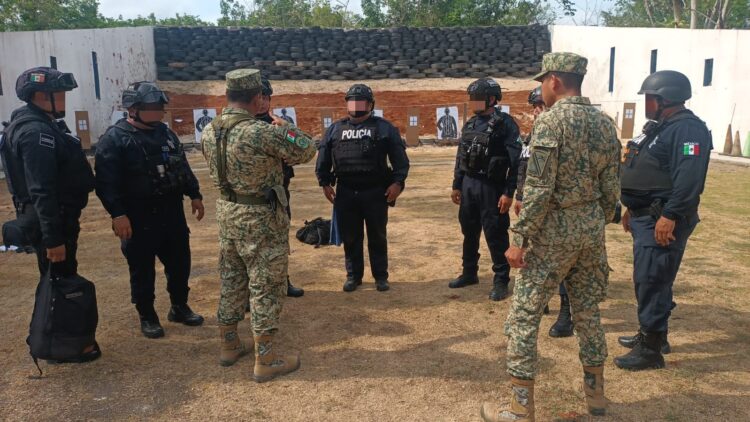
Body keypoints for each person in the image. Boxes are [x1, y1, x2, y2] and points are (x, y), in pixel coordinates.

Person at [480, 53, 621, 421]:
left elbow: (539, 189)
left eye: (543, 81)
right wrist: (594, 219)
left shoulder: (551, 123)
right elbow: (611, 192)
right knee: (588, 313)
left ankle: (518, 409)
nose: (542, 87)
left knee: (524, 317)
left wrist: (519, 238)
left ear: (555, 80)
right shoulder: (605, 123)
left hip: (553, 234)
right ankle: (597, 400)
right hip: (590, 232)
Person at [201, 69, 316, 382]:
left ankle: (229, 345)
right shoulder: (259, 131)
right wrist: (286, 126)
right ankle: (266, 359)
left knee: (232, 278)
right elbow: (307, 148)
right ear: (255, 98)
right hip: (260, 219)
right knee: (266, 285)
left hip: (228, 214)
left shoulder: (211, 130)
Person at [0, 66, 99, 362]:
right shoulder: (35, 132)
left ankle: (64, 339)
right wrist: (54, 238)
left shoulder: (44, 123)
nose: (64, 99)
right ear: (41, 95)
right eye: (60, 94)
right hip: (53, 222)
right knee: (60, 282)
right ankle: (61, 344)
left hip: (58, 218)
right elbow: (41, 189)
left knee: (60, 279)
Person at [614, 70, 711, 371]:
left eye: (650, 98)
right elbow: (647, 171)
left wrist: (670, 215)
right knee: (652, 278)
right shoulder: (660, 128)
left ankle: (651, 350)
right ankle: (654, 335)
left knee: (652, 280)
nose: (646, 103)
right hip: (646, 215)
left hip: (663, 217)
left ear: (665, 98)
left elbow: (689, 178)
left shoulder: (688, 130)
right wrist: (632, 206)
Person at [95, 81, 205, 339]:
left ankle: (179, 306)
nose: (158, 111)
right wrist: (118, 214)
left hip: (171, 212)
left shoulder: (166, 134)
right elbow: (106, 183)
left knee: (179, 263)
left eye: (160, 107)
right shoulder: (114, 139)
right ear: (133, 109)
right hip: (137, 216)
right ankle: (147, 314)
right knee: (142, 269)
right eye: (152, 107)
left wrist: (195, 194)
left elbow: (182, 166)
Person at [316, 84, 410, 293]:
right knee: (351, 236)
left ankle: (381, 276)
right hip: (346, 192)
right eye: (352, 100)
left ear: (370, 105)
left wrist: (397, 183)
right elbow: (323, 159)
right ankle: (353, 276)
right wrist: (324, 183)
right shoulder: (334, 129)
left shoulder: (385, 128)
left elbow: (400, 162)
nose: (356, 105)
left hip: (376, 192)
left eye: (361, 101)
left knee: (377, 235)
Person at [450, 77, 521, 301]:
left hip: (493, 187)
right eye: (472, 98)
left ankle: (501, 280)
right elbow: (461, 156)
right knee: (469, 231)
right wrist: (457, 184)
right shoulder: (470, 124)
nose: (473, 102)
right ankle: (469, 272)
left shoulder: (505, 124)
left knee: (496, 234)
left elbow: (516, 162)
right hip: (470, 184)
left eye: (477, 98)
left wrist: (509, 193)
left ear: (491, 99)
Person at [515, 86, 573, 336]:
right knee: (531, 257)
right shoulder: (532, 135)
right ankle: (541, 301)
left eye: (540, 106)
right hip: (531, 206)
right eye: (534, 107)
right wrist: (519, 196)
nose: (536, 111)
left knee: (563, 264)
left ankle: (566, 313)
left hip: (555, 212)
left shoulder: (560, 134)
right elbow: (523, 167)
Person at [253, 75, 304, 298]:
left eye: (266, 97)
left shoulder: (279, 125)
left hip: (280, 194)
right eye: (259, 97)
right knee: (251, 246)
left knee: (280, 241)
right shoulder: (241, 126)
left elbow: (303, 147)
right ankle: (249, 291)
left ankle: (283, 281)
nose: (263, 102)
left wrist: (289, 137)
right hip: (251, 197)